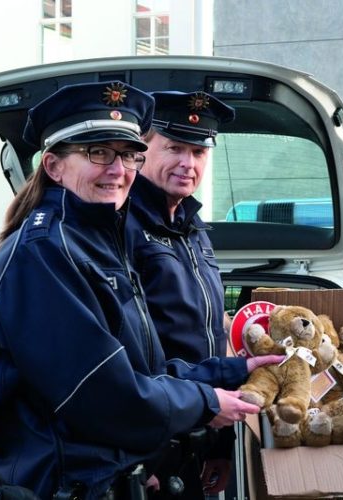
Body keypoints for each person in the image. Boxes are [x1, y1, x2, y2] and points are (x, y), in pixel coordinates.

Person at [0, 81, 279, 500]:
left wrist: (231, 371)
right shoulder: (44, 252)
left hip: (113, 474)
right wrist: (206, 401)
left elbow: (141, 370)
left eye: (128, 154)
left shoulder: (94, 238)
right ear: (53, 166)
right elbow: (101, 392)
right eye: (98, 152)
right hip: (66, 484)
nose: (118, 169)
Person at [125, 90, 238, 498]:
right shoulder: (121, 226)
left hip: (198, 434)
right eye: (173, 147)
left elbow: (214, 336)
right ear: (141, 151)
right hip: (149, 445)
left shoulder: (193, 228)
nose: (187, 164)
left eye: (198, 151)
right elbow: (121, 354)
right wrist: (138, 458)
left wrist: (221, 447)